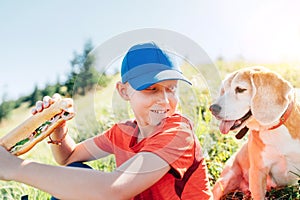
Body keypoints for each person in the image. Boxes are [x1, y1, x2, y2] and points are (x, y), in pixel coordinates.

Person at [0, 42, 212, 199]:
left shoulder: (178, 132)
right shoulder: (123, 133)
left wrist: (14, 168)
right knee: (78, 172)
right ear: (123, 91)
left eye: (171, 89)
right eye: (151, 89)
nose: (165, 101)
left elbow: (114, 189)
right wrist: (57, 126)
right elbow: (68, 158)